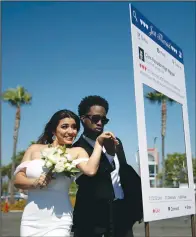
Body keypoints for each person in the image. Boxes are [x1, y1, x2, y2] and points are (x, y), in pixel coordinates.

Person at [14, 109, 118, 237]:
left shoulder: (77, 151)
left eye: (74, 127)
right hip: (31, 219)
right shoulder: (33, 149)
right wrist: (34, 182)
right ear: (53, 130)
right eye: (65, 127)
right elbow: (18, 180)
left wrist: (98, 143)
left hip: (59, 219)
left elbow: (90, 170)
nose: (71, 131)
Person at [72, 95, 143, 237]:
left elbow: (123, 172)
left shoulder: (116, 142)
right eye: (95, 118)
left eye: (103, 120)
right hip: (93, 217)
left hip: (121, 214)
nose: (100, 123)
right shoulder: (77, 148)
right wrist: (109, 156)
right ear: (83, 118)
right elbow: (90, 178)